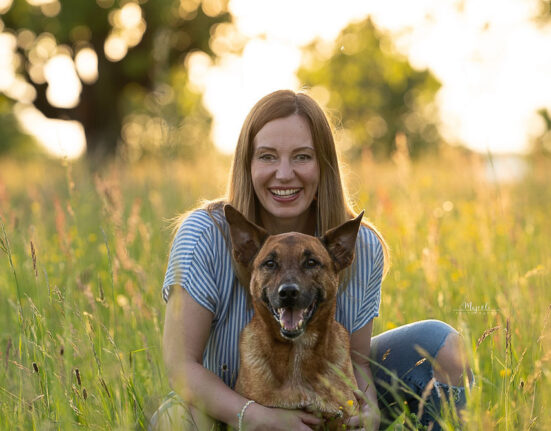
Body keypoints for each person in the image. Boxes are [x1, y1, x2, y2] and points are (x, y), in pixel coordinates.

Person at [150, 90, 472, 431]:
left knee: (443, 346)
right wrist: (257, 417)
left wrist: (369, 410)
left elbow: (358, 363)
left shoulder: (359, 243)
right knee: (175, 421)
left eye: (302, 157)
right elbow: (181, 367)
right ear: (248, 164)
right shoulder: (206, 233)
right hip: (223, 405)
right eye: (268, 157)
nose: (285, 174)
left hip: (326, 397)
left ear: (324, 165)